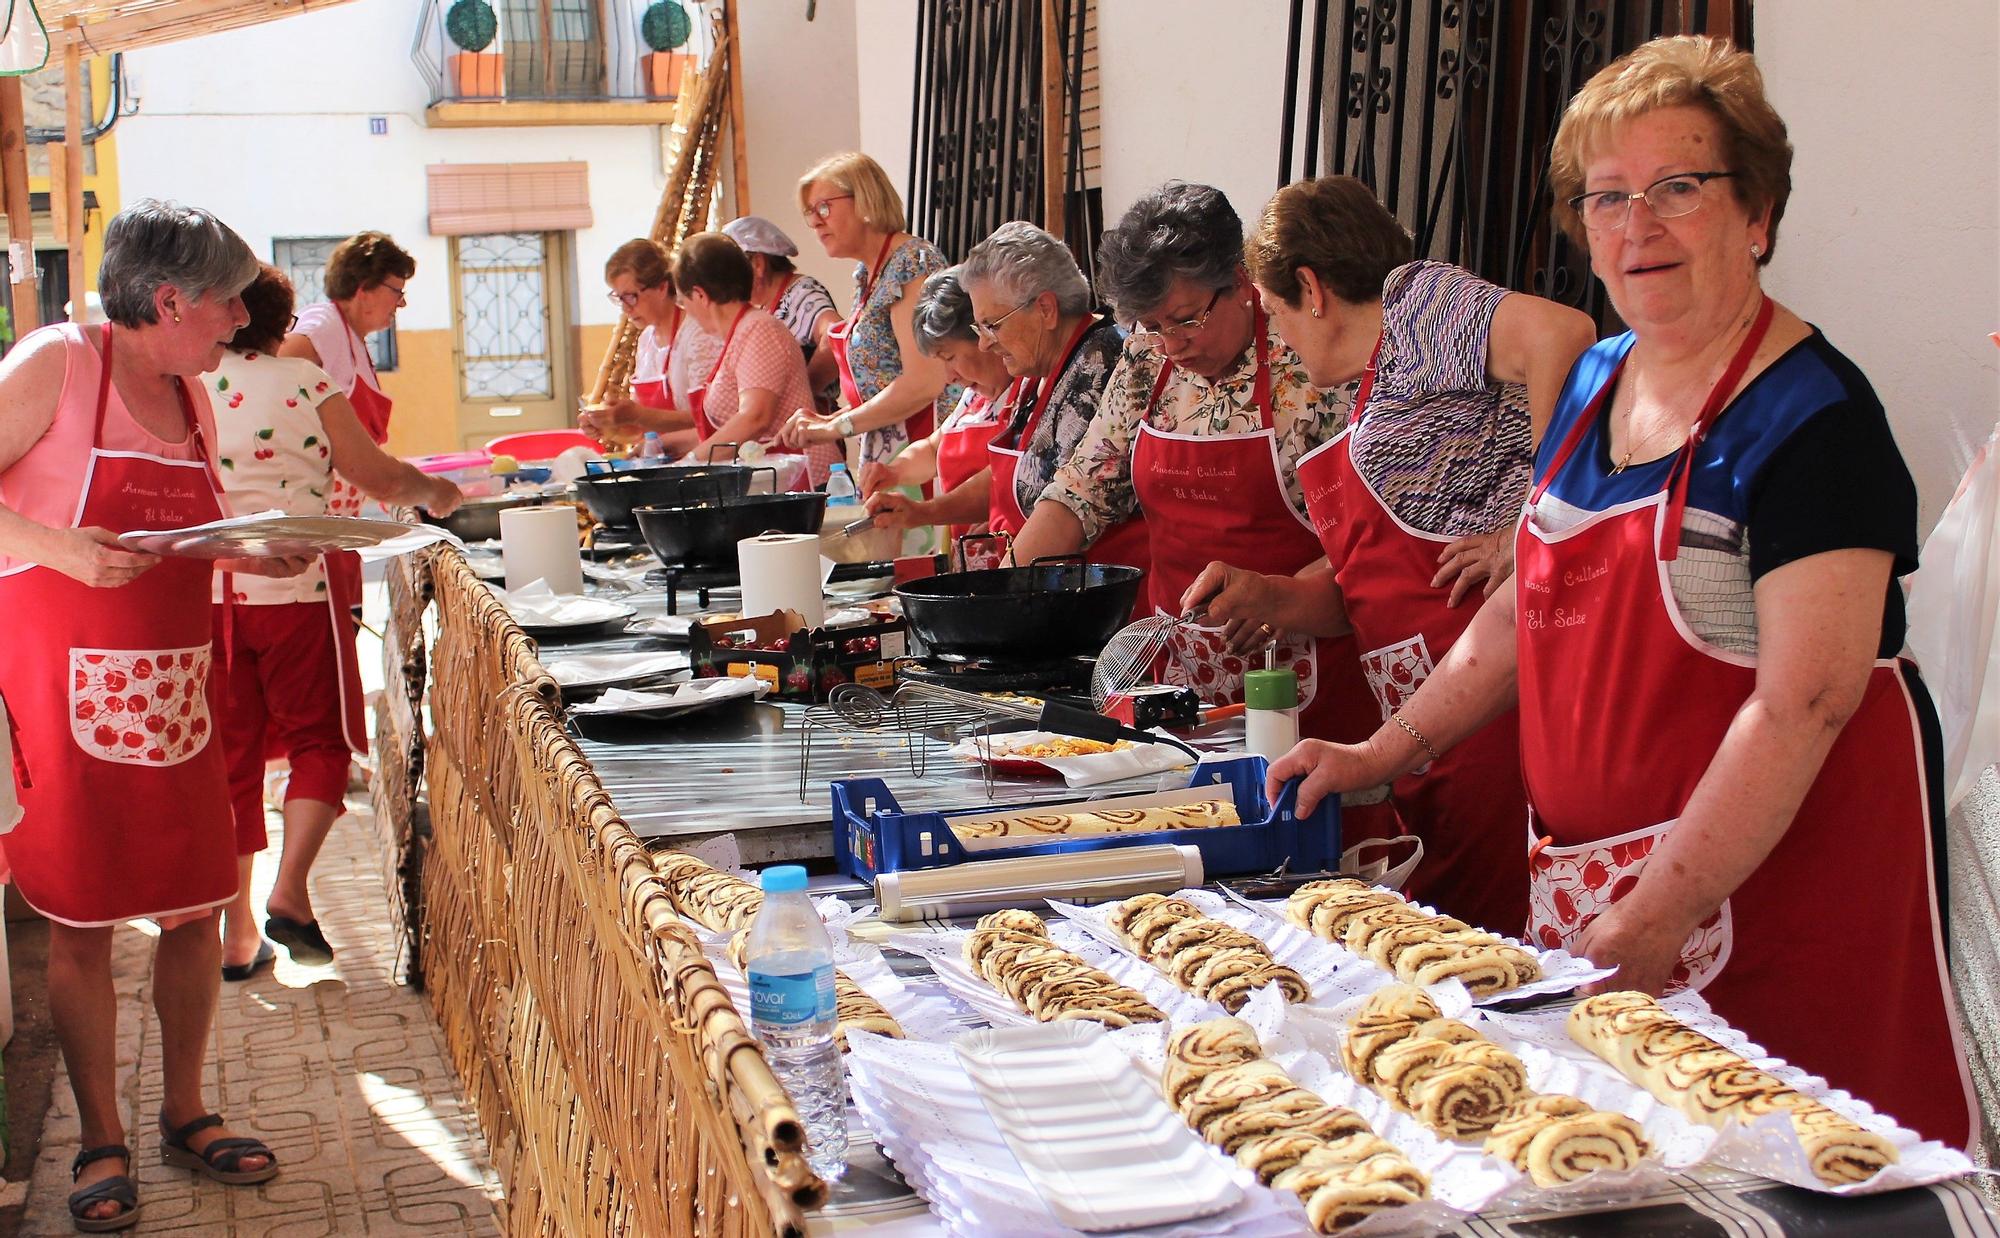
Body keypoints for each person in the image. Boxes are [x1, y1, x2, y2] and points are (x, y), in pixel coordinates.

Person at [1270, 36, 1976, 1146]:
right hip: (1602, 903)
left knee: (1795, 1168)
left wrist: (1661, 908)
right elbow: (1515, 615)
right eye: (1606, 197)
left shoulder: (1813, 420)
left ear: (1757, 212)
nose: (1636, 225)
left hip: (1771, 909)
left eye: (1677, 188)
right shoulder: (1595, 380)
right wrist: (1378, 753)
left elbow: (1806, 701)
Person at [1183, 176, 1595, 932]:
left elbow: (1561, 335)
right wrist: (1272, 597)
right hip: (1425, 731)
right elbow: (1370, 584)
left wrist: (1537, 518)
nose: (1277, 338)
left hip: (1493, 720)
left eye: (1274, 314)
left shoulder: (1419, 304)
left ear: (1310, 288)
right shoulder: (1372, 387)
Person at [0, 201, 295, 1229]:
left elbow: (176, 533)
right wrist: (63, 547)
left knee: (196, 902)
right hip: (58, 689)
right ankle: (99, 1135)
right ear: (171, 299)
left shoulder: (188, 393)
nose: (235, 325)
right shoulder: (57, 363)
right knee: (79, 920)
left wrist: (247, 548)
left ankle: (184, 1109)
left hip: (173, 694)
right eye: (226, 306)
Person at [1010, 182, 1380, 773]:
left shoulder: (1307, 357)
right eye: (1152, 325)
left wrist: (1274, 597)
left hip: (1310, 675)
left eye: (1186, 321)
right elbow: (1084, 487)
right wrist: (1006, 599)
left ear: (1239, 283)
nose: (1171, 344)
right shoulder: (1146, 357)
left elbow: (1361, 544)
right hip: (1177, 682)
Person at [209, 266, 462, 977]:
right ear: (281, 323)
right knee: (318, 742)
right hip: (299, 595)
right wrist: (437, 490)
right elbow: (377, 476)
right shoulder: (305, 384)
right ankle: (288, 892)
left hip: (215, 597)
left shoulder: (189, 387)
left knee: (228, 764)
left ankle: (235, 937)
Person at [866, 223, 1144, 571]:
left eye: (992, 325)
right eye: (979, 329)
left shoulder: (1101, 366)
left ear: (1045, 309)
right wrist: (925, 513)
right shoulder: (1035, 370)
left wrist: (1001, 588)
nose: (985, 343)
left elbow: (1068, 508)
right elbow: (1011, 476)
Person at [778, 152, 958, 483]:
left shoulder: (911, 263)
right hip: (890, 455)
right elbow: (883, 386)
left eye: (824, 208)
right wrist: (828, 420)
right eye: (810, 213)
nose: (816, 222)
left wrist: (836, 425)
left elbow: (924, 381)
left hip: (923, 458)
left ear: (865, 201)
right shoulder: (867, 274)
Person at [859, 267, 1020, 557]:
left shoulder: (1027, 390)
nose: (949, 377)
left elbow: (1003, 478)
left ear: (984, 336)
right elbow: (935, 448)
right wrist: (893, 471)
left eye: (950, 357)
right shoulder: (974, 395)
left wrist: (923, 512)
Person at [661, 233, 819, 460]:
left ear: (700, 295)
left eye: (683, 301)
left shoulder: (760, 330)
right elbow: (725, 433)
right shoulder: (741, 332)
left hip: (796, 477)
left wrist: (689, 464)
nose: (686, 310)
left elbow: (754, 418)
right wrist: (666, 445)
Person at [724, 214, 844, 484]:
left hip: (810, 438)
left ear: (757, 263)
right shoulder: (755, 308)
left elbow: (835, 333)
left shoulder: (801, 292)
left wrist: (804, 389)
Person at [577, 238, 721, 447]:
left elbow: (711, 419)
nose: (625, 308)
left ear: (662, 288)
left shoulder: (698, 335)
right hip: (662, 459)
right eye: (619, 298)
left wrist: (637, 415)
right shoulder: (646, 340)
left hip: (700, 458)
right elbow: (643, 428)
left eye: (630, 297)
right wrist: (609, 424)